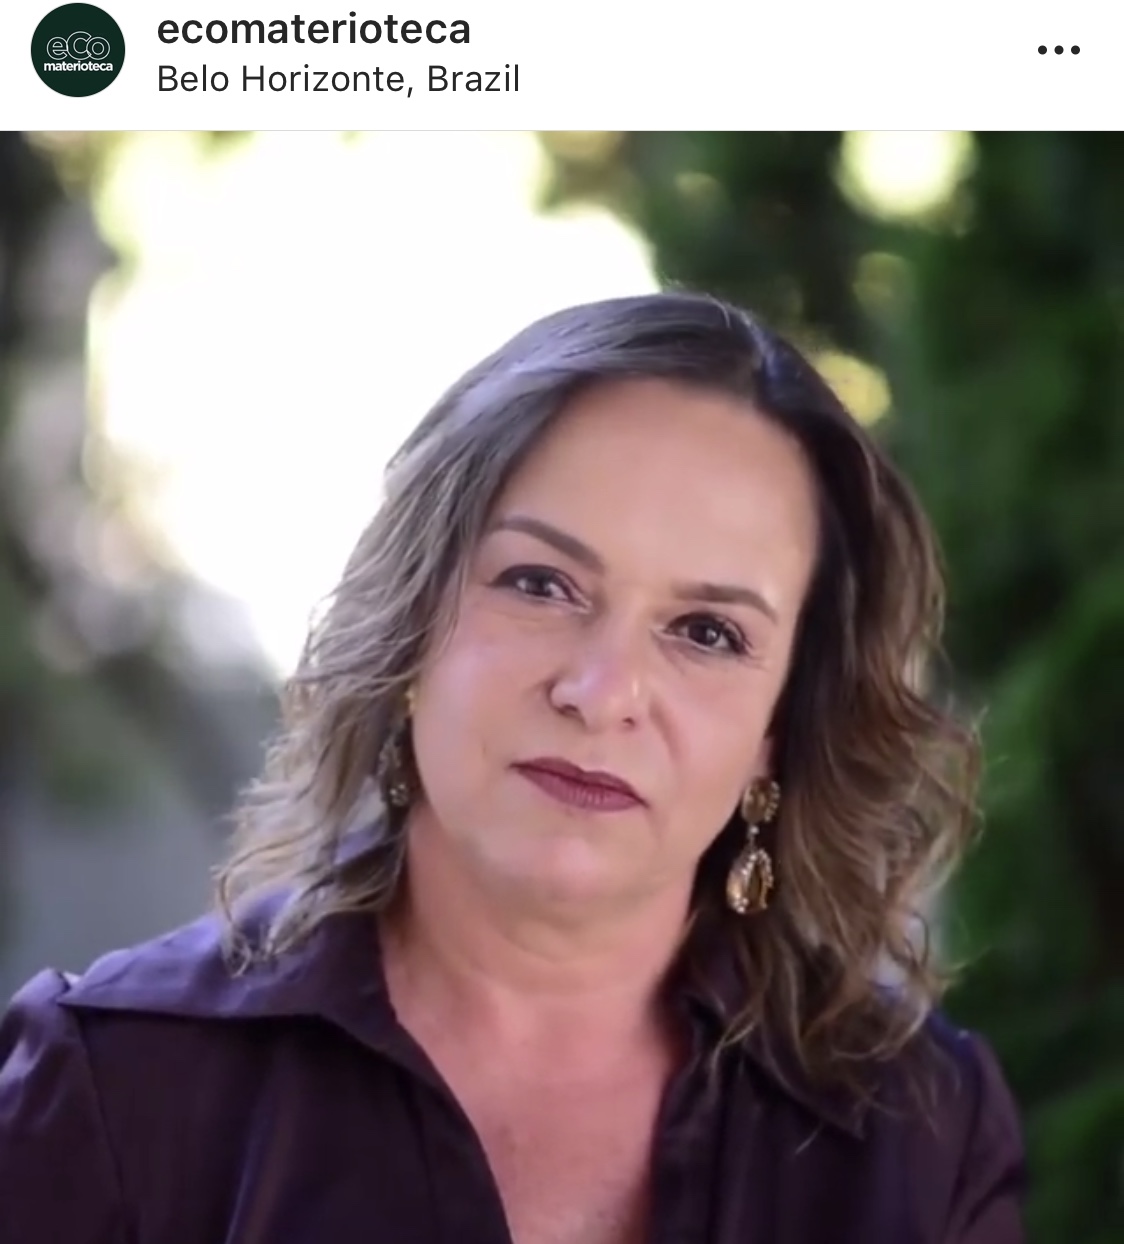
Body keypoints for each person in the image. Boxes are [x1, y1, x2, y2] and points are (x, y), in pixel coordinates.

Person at [0, 292, 1025, 1244]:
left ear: (779, 730)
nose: (602, 690)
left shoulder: (919, 1134)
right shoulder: (113, 1086)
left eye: (707, 632)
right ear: (412, 624)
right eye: (541, 583)